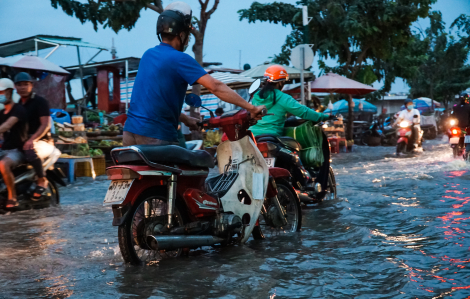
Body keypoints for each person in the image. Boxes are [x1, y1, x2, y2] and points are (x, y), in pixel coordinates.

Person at [123, 2, 265, 146]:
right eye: (188, 34)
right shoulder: (180, 59)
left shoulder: (148, 55)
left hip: (129, 134)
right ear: (181, 34)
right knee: (201, 163)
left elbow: (156, 102)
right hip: (156, 136)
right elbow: (215, 86)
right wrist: (252, 108)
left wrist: (187, 119)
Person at [249, 65, 333, 137]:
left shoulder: (256, 96)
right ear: (280, 83)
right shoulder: (283, 98)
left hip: (251, 136)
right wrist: (325, 116)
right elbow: (304, 112)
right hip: (272, 136)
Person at [14, 72, 55, 200]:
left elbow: (45, 125)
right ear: (15, 87)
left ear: (31, 85)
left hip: (41, 141)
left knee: (30, 148)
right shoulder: (17, 105)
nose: (22, 87)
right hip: (22, 141)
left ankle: (41, 179)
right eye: (19, 85)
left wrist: (32, 139)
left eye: (26, 84)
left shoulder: (40, 102)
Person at [0, 78, 28, 208]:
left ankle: (12, 197)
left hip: (18, 150)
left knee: (3, 164)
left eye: (1, 92)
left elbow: (7, 125)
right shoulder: (1, 112)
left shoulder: (18, 110)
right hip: (5, 149)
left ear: (10, 92)